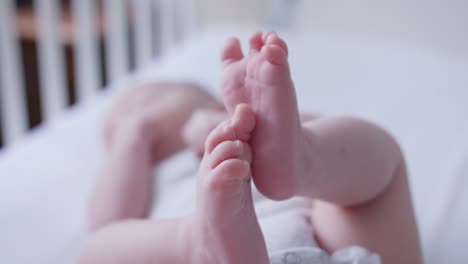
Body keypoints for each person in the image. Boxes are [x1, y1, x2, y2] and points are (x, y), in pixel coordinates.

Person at [78, 32, 422, 263]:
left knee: (372, 158)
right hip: (248, 249)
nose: (126, 120)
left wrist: (253, 127)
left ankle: (304, 159)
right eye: (115, 129)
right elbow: (105, 220)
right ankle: (197, 242)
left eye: (140, 104)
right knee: (97, 248)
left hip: (326, 239)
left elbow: (330, 136)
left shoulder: (244, 121)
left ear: (211, 104)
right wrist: (133, 134)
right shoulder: (156, 178)